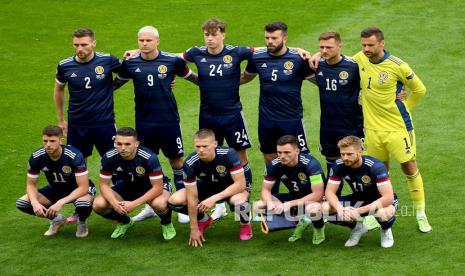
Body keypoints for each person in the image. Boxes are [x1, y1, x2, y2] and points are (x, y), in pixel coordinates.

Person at [114, 26, 198, 224]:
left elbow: (195, 79)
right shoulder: (131, 63)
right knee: (145, 164)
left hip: (168, 121)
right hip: (143, 123)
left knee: (177, 162)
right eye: (141, 40)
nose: (144, 44)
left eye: (148, 40)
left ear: (157, 41)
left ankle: (182, 207)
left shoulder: (172, 61)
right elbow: (115, 84)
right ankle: (150, 206)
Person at [352, 27, 431, 233]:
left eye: (370, 45)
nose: (366, 49)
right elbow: (338, 60)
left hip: (397, 128)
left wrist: (406, 106)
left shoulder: (398, 66)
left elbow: (419, 89)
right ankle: (376, 212)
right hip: (371, 129)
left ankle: (420, 214)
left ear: (381, 43)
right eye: (363, 45)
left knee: (409, 167)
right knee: (378, 171)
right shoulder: (359, 58)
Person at [181, 18, 254, 220]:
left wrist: (298, 49)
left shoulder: (237, 52)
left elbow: (267, 50)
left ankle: (244, 195)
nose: (210, 39)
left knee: (240, 157)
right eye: (207, 35)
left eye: (214, 34)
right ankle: (218, 202)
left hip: (232, 115)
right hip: (208, 115)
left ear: (223, 34)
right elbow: (172, 58)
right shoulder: (196, 52)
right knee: (209, 158)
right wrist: (138, 52)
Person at [241, 21, 314, 194]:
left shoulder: (298, 59)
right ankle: (273, 197)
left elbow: (319, 81)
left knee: (300, 158)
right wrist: (213, 80)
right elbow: (245, 77)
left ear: (285, 38)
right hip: (266, 119)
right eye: (267, 38)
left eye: (274, 38)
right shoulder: (257, 57)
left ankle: (307, 196)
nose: (270, 41)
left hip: (292, 119)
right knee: (270, 157)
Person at [168, 129, 252, 247]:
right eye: (198, 146)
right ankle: (203, 219)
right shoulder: (190, 163)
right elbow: (192, 197)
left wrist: (213, 199)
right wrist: (194, 228)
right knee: (174, 201)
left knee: (240, 202)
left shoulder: (229, 154)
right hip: (208, 186)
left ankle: (245, 224)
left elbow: (240, 184)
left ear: (215, 144)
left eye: (205, 146)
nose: (201, 150)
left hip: (232, 187)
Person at [92, 127, 176, 240]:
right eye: (119, 144)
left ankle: (166, 223)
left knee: (159, 204)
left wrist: (134, 204)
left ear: (136, 144)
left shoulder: (148, 157)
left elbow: (158, 187)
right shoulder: (109, 157)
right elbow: (103, 185)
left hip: (152, 187)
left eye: (127, 144)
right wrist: (115, 203)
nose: (123, 148)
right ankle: (125, 222)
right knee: (98, 204)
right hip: (127, 186)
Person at [54, 28, 121, 160]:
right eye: (76, 45)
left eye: (84, 45)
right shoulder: (64, 66)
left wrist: (113, 86)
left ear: (93, 43)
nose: (79, 49)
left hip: (104, 122)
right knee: (78, 161)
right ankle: (83, 182)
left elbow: (131, 71)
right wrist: (61, 119)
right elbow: (59, 89)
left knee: (114, 160)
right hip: (77, 123)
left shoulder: (107, 60)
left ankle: (114, 182)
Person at [16, 125, 94, 238]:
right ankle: (57, 219)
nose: (48, 145)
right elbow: (31, 184)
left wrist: (60, 203)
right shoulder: (37, 156)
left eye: (52, 141)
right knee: (22, 203)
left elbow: (83, 187)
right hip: (55, 189)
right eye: (45, 141)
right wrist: (35, 203)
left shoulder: (74, 156)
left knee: (83, 204)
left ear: (61, 140)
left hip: (78, 189)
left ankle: (82, 222)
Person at [323, 136, 398, 248]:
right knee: (321, 208)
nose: (345, 158)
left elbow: (388, 198)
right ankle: (357, 228)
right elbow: (329, 192)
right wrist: (340, 209)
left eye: (349, 154)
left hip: (380, 202)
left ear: (360, 152)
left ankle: (385, 229)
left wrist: (358, 211)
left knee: (382, 214)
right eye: (342, 154)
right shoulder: (339, 165)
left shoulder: (375, 166)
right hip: (358, 199)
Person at [312, 31, 363, 183]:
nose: (324, 51)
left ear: (340, 46)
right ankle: (334, 199)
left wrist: (399, 91)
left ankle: (368, 197)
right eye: (321, 47)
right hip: (328, 126)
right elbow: (292, 54)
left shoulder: (354, 66)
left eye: (329, 47)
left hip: (351, 124)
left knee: (357, 163)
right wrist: (313, 54)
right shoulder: (317, 64)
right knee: (332, 165)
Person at [255, 135, 325, 244]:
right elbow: (265, 190)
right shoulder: (274, 165)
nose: (282, 156)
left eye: (287, 152)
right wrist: (270, 204)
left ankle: (319, 227)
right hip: (295, 196)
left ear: (297, 151)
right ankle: (298, 220)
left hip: (315, 199)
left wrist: (288, 204)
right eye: (279, 152)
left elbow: (318, 194)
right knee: (259, 205)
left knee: (313, 210)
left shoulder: (311, 164)